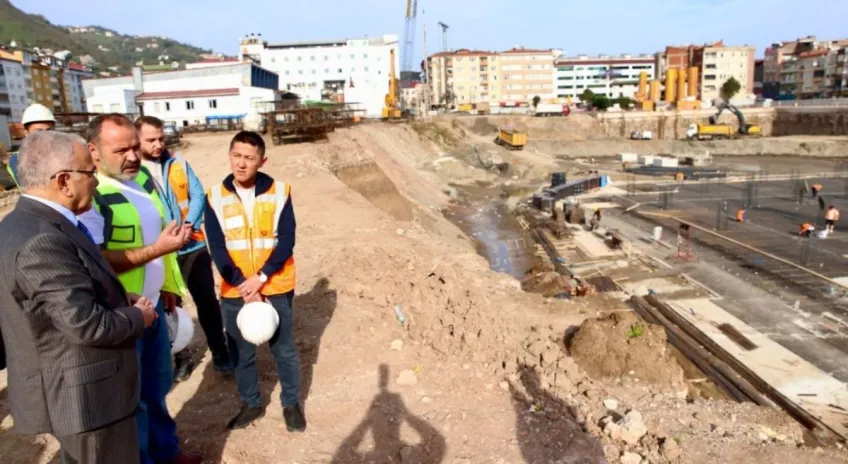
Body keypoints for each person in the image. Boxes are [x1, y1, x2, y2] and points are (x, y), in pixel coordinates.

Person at [0, 131, 158, 463]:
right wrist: (137, 317)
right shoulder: (41, 239)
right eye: (89, 173)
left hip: (77, 394)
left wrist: (115, 298)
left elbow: (53, 302)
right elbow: (86, 325)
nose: (96, 182)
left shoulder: (22, 223)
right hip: (88, 399)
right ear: (64, 181)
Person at [77, 114, 202, 464]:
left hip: (154, 307)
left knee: (157, 389)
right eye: (121, 150)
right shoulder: (92, 195)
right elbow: (96, 260)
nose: (133, 156)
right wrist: (158, 250)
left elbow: (158, 233)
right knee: (134, 401)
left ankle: (167, 452)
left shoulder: (142, 178)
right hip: (122, 314)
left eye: (135, 146)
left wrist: (168, 285)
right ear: (94, 151)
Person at [204, 131, 306, 432]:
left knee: (283, 349)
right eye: (236, 156)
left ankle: (291, 404)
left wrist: (260, 279)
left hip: (275, 285)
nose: (241, 163)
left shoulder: (280, 192)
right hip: (235, 289)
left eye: (249, 158)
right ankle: (251, 404)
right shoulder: (215, 197)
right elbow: (217, 247)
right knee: (241, 352)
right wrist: (243, 284)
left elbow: (286, 240)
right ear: (229, 156)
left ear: (262, 161)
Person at [134, 116, 232, 381]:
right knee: (171, 309)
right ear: (137, 140)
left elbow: (198, 194)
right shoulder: (132, 173)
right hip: (161, 252)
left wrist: (189, 225)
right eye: (151, 140)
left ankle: (221, 353)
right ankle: (182, 358)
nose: (158, 145)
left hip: (192, 245)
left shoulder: (178, 162)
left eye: (161, 138)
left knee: (207, 302)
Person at [7, 103, 57, 187]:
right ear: (26, 133)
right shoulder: (18, 160)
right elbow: (34, 189)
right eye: (39, 131)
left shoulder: (64, 152)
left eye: (49, 130)